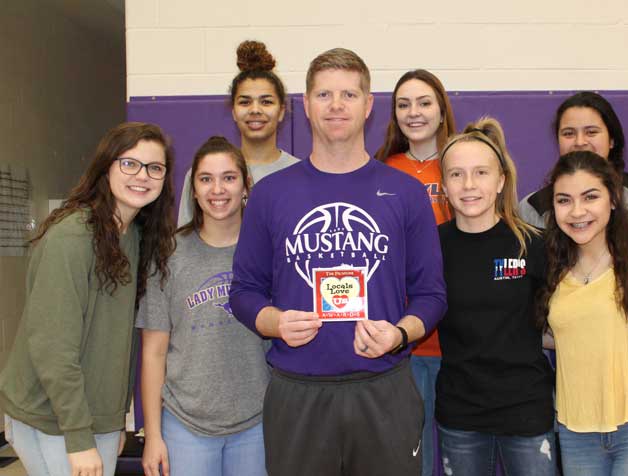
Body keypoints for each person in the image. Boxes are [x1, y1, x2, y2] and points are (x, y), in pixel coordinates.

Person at [229, 48, 447, 476]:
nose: (336, 105)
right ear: (305, 105)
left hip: (384, 388)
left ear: (368, 106)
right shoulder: (271, 194)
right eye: (324, 94)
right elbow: (243, 293)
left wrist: (399, 334)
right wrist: (276, 322)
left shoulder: (404, 193)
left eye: (348, 94)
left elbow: (432, 296)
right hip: (298, 393)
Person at [0, 122, 176, 476]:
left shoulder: (137, 238)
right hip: (52, 417)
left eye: (154, 168)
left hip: (96, 417)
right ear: (106, 166)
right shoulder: (72, 237)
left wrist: (114, 422)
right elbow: (53, 347)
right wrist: (79, 438)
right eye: (129, 163)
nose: (142, 176)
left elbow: (120, 342)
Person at [519, 91, 628, 396]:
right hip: (571, 389)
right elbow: (530, 310)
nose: (580, 141)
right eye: (568, 133)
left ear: (612, 140)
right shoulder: (533, 210)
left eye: (592, 132)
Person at [538, 151, 628, 476]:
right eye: (564, 200)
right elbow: (560, 336)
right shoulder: (552, 266)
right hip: (575, 430)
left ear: (613, 199)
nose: (577, 211)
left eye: (590, 197)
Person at [138, 136, 268, 476]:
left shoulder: (269, 252)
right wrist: (153, 435)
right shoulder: (167, 254)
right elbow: (153, 352)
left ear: (245, 186)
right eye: (206, 179)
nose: (217, 189)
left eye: (228, 177)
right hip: (186, 424)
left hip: (257, 422)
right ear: (193, 189)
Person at [436, 117, 555, 475]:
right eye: (456, 174)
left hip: (526, 410)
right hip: (460, 413)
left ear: (501, 180)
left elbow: (559, 324)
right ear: (443, 184)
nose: (468, 185)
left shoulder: (533, 244)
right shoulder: (430, 247)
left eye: (481, 173)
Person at [375, 68, 456, 476]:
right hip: (405, 339)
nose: (414, 112)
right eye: (404, 104)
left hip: (461, 338)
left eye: (424, 102)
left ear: (442, 111)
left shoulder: (465, 165)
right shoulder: (381, 170)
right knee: (413, 455)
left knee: (462, 452)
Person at [177, 39, 299, 226]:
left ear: (281, 111)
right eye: (245, 102)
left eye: (266, 102)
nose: (255, 110)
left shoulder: (300, 174)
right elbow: (185, 242)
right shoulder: (203, 173)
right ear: (234, 111)